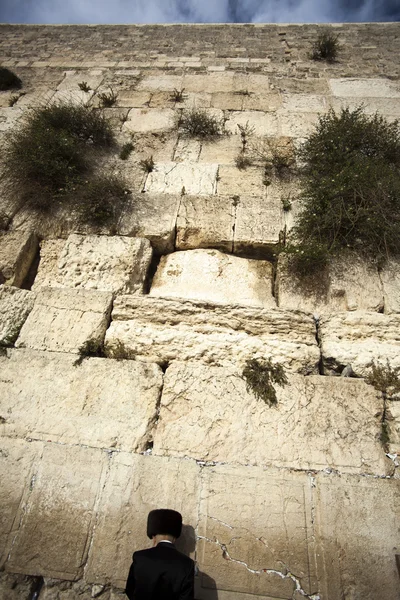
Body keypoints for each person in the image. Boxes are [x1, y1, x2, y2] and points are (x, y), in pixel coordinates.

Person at [125, 508, 195, 600]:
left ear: (153, 537)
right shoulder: (187, 564)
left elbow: (130, 590)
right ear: (175, 538)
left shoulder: (139, 557)